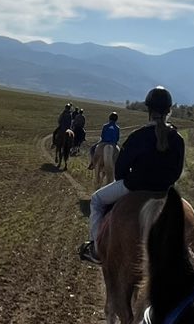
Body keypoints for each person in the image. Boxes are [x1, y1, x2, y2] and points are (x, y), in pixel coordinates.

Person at [79, 88, 184, 264]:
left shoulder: (138, 136)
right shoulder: (178, 139)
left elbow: (120, 169)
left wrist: (132, 179)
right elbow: (177, 172)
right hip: (164, 192)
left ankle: (96, 249)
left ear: (148, 110)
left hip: (133, 187)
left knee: (96, 200)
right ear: (169, 110)